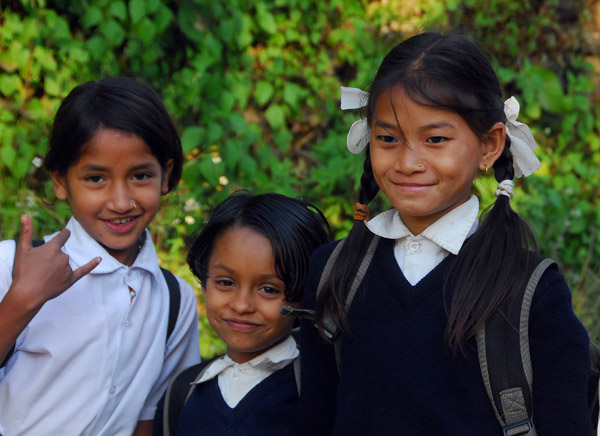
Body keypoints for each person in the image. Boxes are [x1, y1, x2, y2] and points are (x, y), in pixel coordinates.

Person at [299, 32, 593, 435]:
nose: (407, 162)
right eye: (388, 138)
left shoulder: (531, 292)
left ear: (490, 145)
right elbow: (314, 420)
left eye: (435, 139)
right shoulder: (335, 271)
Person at [0, 78, 200, 436]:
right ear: (60, 182)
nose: (121, 202)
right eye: (96, 178)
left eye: (140, 175)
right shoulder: (11, 265)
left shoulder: (174, 301)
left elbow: (149, 417)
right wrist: (22, 300)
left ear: (166, 176)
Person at [154, 191, 332, 436]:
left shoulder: (321, 391)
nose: (241, 305)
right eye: (226, 282)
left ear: (303, 294)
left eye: (268, 289)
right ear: (204, 282)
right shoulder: (183, 393)